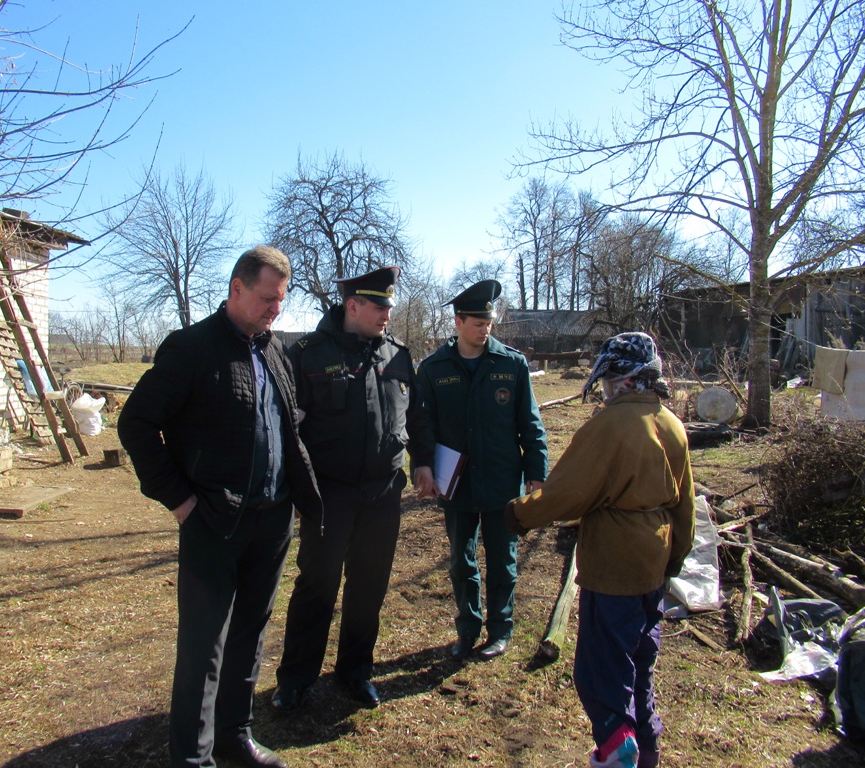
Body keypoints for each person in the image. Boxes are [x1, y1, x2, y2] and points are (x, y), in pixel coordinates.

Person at [117, 245, 322, 768]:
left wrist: (298, 496)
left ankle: (235, 737)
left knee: (250, 633)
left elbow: (287, 426)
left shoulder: (274, 350)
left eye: (281, 300)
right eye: (267, 298)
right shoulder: (191, 348)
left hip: (272, 521)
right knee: (204, 647)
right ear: (235, 289)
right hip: (213, 521)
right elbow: (137, 423)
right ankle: (192, 757)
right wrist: (180, 500)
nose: (275, 309)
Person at [504, 331, 695, 768]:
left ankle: (616, 748)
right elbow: (684, 504)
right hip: (655, 566)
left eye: (609, 380)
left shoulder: (608, 427)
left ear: (625, 380)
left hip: (614, 568)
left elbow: (566, 494)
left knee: (602, 670)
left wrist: (516, 515)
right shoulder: (672, 424)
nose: (605, 389)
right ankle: (647, 750)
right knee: (640, 666)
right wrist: (675, 558)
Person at [271, 266, 435, 712]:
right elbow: (287, 427)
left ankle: (355, 671)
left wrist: (422, 462)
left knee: (369, 587)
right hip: (330, 496)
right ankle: (297, 678)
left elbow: (415, 416)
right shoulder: (306, 353)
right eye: (379, 306)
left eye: (389, 307)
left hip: (383, 494)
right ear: (353, 306)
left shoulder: (398, 354)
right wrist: (298, 493)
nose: (386, 314)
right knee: (317, 586)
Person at [415, 279, 548, 661]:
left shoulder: (512, 364)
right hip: (455, 485)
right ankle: (467, 628)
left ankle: (500, 630)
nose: (485, 328)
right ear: (458, 321)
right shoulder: (435, 368)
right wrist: (422, 465)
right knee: (461, 561)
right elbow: (422, 426)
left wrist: (537, 475)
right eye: (477, 322)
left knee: (503, 561)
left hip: (502, 481)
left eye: (488, 322)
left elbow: (531, 426)